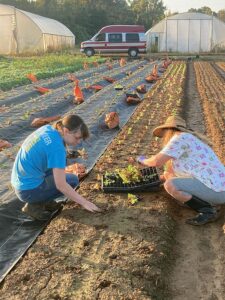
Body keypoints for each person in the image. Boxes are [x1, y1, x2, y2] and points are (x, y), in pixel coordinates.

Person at [137, 115, 225, 226]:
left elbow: (156, 162)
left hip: (220, 192)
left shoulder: (180, 138)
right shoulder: (188, 141)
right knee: (168, 176)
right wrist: (154, 180)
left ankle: (207, 210)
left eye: (164, 134)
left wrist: (142, 160)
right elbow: (169, 173)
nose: (164, 138)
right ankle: (208, 202)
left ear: (168, 130)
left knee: (170, 185)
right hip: (220, 187)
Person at [11, 114, 101, 221]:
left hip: (19, 181)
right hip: (28, 190)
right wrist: (85, 203)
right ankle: (34, 206)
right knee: (72, 180)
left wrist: (73, 154)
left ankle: (46, 201)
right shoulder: (57, 149)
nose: (78, 142)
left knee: (59, 173)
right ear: (66, 131)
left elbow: (47, 153)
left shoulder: (49, 129)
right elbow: (61, 185)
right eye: (77, 138)